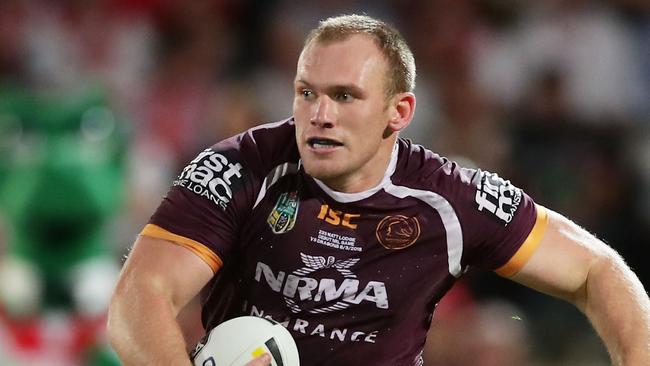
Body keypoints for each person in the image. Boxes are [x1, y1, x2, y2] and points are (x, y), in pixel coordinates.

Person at [107, 14, 650, 366]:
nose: (320, 115)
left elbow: (597, 270)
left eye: (345, 97)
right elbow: (139, 298)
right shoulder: (239, 169)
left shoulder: (451, 198)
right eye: (306, 93)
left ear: (399, 112)